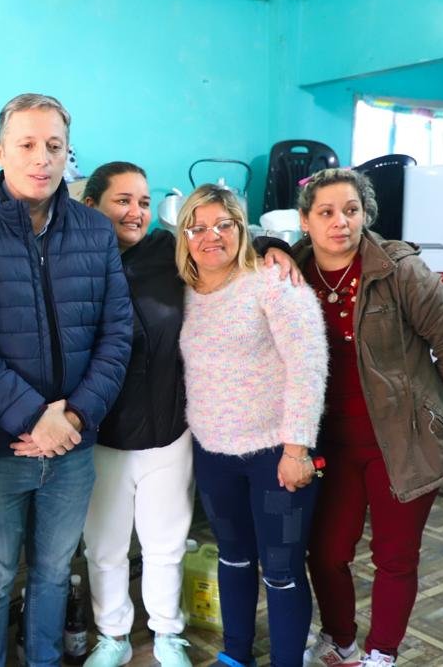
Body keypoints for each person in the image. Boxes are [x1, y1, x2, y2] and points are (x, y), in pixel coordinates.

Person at [0, 94, 133, 666]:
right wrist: (32, 417)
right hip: (2, 446)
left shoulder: (94, 231)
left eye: (54, 146)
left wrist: (72, 417)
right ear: (0, 152)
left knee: (53, 572)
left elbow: (117, 333)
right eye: (27, 145)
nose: (42, 158)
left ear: (68, 154)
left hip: (72, 445)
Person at [79, 164, 302, 667]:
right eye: (122, 201)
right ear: (91, 206)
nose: (135, 212)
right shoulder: (74, 262)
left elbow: (223, 243)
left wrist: (275, 245)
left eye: (143, 202)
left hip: (170, 427)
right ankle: (112, 636)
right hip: (101, 431)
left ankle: (167, 633)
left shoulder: (168, 250)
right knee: (104, 546)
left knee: (166, 541)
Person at [294, 169, 443, 667]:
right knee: (326, 552)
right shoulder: (293, 269)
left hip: (402, 442)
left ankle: (382, 653)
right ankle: (340, 641)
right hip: (331, 443)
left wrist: (429, 408)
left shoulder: (399, 270)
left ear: (365, 215)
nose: (341, 222)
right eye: (327, 212)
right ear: (305, 221)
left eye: (351, 210)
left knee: (395, 557)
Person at [176, 184, 327, 667]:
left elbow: (308, 365)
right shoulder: (184, 291)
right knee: (233, 556)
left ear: (243, 230)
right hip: (213, 453)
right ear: (184, 237)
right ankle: (235, 655)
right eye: (198, 227)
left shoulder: (273, 282)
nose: (211, 236)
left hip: (275, 455)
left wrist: (297, 449)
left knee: (281, 570)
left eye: (224, 224)